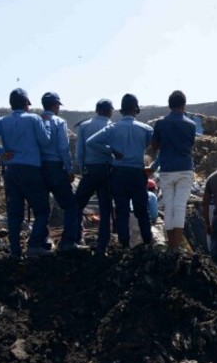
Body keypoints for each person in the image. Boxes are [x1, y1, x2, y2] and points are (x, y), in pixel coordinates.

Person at [0, 88, 52, 258]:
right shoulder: (34, 119)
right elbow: (46, 141)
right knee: (42, 211)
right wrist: (46, 123)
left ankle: (15, 251)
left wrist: (1, 153)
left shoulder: (3, 121)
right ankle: (34, 245)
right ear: (27, 104)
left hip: (11, 171)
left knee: (14, 213)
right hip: (31, 171)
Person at [86, 93, 154, 252]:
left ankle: (124, 245)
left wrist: (111, 151)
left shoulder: (112, 128)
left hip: (119, 173)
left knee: (122, 210)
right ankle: (147, 242)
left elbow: (91, 142)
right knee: (142, 210)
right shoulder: (146, 129)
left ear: (121, 110)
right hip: (137, 174)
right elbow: (157, 146)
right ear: (136, 109)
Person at [151, 90, 197, 251]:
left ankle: (171, 245)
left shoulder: (161, 123)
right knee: (179, 207)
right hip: (185, 169)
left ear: (169, 105)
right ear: (184, 105)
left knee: (168, 206)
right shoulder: (191, 125)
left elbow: (155, 146)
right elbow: (190, 145)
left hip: (167, 170)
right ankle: (176, 247)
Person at [38, 92, 82, 251]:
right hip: (55, 168)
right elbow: (63, 148)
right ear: (56, 105)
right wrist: (69, 169)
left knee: (42, 208)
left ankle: (42, 241)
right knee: (71, 205)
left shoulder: (35, 121)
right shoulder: (59, 122)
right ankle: (68, 242)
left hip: (38, 168)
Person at [74, 99, 114, 251]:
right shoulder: (111, 126)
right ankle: (102, 244)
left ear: (97, 110)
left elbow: (79, 152)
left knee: (77, 204)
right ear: (108, 110)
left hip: (89, 170)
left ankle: (77, 236)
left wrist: (82, 167)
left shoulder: (84, 126)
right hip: (106, 170)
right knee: (105, 208)